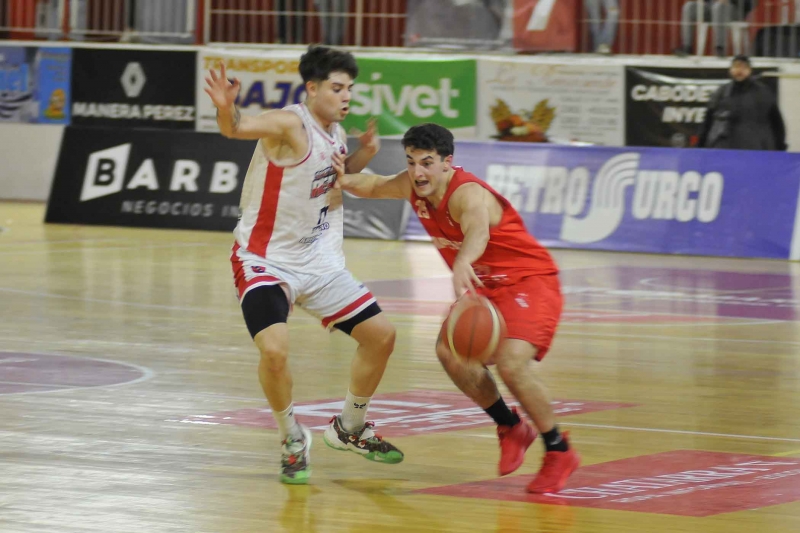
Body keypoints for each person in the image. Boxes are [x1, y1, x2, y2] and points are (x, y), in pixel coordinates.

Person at [333, 123, 580, 494]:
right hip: (486, 286)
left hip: (528, 280)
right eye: (411, 161)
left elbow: (478, 229)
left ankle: (559, 450)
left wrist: (463, 260)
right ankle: (511, 426)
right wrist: (338, 177)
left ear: (447, 162)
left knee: (512, 365)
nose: (418, 172)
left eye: (427, 163)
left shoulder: (467, 193)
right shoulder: (412, 186)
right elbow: (372, 185)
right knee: (449, 353)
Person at [203, 45, 404, 485]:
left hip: (319, 261)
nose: (346, 96)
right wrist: (225, 108)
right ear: (312, 88)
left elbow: (335, 178)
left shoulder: (336, 131)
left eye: (350, 88)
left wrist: (365, 155)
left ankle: (349, 427)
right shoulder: (290, 123)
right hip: (265, 261)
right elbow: (237, 128)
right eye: (337, 88)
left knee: (382, 337)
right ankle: (292, 437)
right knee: (275, 351)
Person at [698, 55, 787, 151]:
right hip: (727, 150)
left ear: (750, 70)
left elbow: (776, 122)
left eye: (744, 67)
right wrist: (701, 146)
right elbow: (708, 122)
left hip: (756, 149)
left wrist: (780, 146)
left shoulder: (763, 93)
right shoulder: (721, 93)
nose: (739, 70)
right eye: (736, 66)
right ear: (730, 70)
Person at [676, 0, 757, 57]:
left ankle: (720, 48)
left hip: (735, 10)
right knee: (689, 6)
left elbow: (752, 3)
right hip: (711, 7)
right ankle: (687, 47)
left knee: (719, 7)